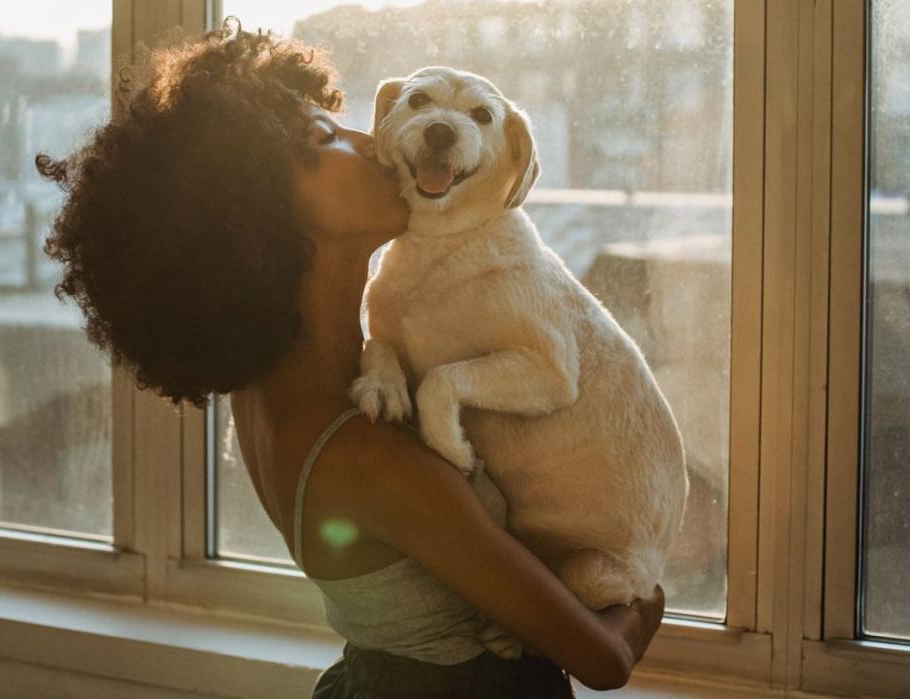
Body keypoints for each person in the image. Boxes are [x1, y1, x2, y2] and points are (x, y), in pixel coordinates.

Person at [37, 23, 664, 698]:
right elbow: (602, 660)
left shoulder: (275, 393)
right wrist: (643, 603)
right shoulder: (374, 461)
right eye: (326, 139)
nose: (369, 142)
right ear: (258, 213)